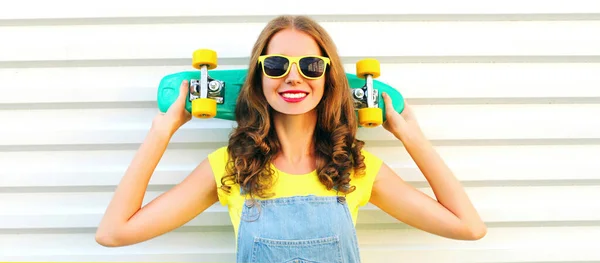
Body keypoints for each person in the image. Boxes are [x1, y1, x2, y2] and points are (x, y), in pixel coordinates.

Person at [95, 15, 486, 262]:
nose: (294, 77)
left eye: (312, 66)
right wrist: (161, 132)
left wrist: (410, 135)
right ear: (259, 78)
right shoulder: (230, 168)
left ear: (329, 78)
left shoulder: (356, 168)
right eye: (277, 64)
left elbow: (468, 227)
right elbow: (114, 233)